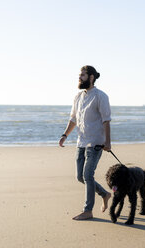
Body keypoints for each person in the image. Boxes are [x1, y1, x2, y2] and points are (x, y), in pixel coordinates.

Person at [59, 65, 112, 220]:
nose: (79, 77)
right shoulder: (78, 97)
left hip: (95, 143)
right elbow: (74, 119)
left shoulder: (100, 96)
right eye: (79, 74)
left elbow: (106, 120)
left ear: (91, 77)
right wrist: (64, 135)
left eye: (83, 75)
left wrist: (108, 142)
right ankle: (105, 194)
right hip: (80, 142)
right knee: (80, 177)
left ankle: (88, 210)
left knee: (88, 175)